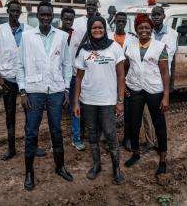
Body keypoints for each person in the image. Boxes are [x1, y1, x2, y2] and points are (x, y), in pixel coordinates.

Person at [16, 1, 73, 191]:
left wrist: (65, 89)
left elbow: (67, 65)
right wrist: (23, 91)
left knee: (56, 130)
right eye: (42, 15)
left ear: (53, 16)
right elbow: (20, 66)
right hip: (34, 92)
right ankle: (29, 172)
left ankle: (60, 166)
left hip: (56, 92)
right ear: (38, 16)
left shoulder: (62, 36)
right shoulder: (26, 36)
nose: (46, 18)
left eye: (49, 15)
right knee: (31, 132)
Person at [0, 0, 46, 161]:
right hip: (7, 81)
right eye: (12, 10)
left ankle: (33, 147)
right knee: (10, 115)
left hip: (26, 81)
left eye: (18, 11)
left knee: (31, 115)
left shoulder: (28, 30)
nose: (15, 13)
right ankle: (11, 149)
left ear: (20, 13)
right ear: (8, 11)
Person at [73, 15, 125, 185]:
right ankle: (97, 165)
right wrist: (76, 102)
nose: (97, 30)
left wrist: (120, 101)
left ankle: (116, 168)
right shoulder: (84, 51)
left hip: (108, 101)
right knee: (92, 135)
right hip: (88, 100)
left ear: (104, 29)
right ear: (89, 30)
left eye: (100, 27)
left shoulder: (115, 48)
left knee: (110, 134)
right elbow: (79, 78)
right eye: (94, 28)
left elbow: (120, 76)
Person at [124, 13, 170, 176]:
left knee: (159, 124)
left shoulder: (159, 46)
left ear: (151, 29)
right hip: (135, 88)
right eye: (140, 27)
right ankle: (135, 153)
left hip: (154, 90)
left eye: (147, 28)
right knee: (134, 124)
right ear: (136, 29)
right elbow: (126, 66)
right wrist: (124, 84)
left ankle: (163, 159)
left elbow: (165, 73)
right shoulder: (130, 45)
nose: (144, 30)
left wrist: (166, 96)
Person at [141, 6, 178, 151]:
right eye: (153, 15)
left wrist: (171, 82)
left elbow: (173, 60)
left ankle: (160, 142)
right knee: (146, 113)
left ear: (164, 16)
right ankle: (150, 141)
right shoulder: (144, 32)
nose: (155, 17)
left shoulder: (173, 34)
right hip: (145, 79)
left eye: (158, 14)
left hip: (162, 80)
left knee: (159, 113)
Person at [69, 0, 99, 142]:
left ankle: (92, 133)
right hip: (77, 70)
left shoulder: (100, 22)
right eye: (89, 4)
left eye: (94, 5)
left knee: (91, 104)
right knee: (77, 103)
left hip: (94, 72)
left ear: (97, 6)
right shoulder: (77, 22)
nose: (91, 7)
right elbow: (72, 44)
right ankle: (77, 135)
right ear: (85, 6)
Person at [108, 12, 137, 150]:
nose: (120, 23)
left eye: (123, 21)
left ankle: (127, 139)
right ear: (114, 21)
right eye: (118, 21)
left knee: (128, 112)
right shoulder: (107, 37)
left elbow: (133, 61)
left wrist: (124, 83)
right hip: (109, 79)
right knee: (109, 111)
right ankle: (110, 140)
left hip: (127, 80)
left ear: (126, 22)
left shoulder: (132, 39)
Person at [59, 7, 85, 151]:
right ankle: (57, 139)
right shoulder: (55, 34)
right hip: (58, 78)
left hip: (74, 78)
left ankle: (76, 138)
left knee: (76, 107)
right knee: (57, 107)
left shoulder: (78, 34)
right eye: (66, 18)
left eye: (71, 19)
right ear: (61, 19)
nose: (68, 21)